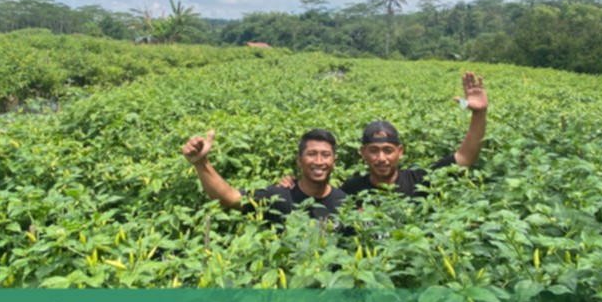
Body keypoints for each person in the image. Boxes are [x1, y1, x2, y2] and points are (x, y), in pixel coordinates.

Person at [278, 71, 488, 197]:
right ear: (363, 153)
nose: (381, 158)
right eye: (374, 150)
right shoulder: (351, 191)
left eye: (388, 150)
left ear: (400, 152)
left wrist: (479, 114)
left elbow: (465, 157)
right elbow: (321, 197)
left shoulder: (420, 180)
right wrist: (290, 187)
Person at [182, 128, 346, 224]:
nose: (319, 161)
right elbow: (228, 197)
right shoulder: (278, 197)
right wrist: (201, 163)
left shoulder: (345, 203)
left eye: (326, 155)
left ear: (334, 161)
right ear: (299, 161)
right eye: (311, 154)